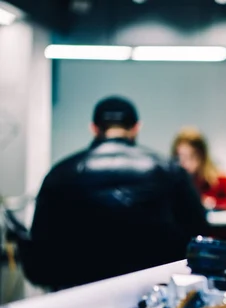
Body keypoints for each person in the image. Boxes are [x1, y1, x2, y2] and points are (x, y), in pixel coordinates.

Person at [29, 96, 208, 290]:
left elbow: (40, 249)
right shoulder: (169, 171)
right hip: (152, 296)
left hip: (79, 296)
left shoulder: (60, 174)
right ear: (136, 128)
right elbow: (198, 231)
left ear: (94, 128)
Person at [171, 127, 226, 212]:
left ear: (202, 157)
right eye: (180, 157)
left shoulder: (217, 180)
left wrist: (214, 204)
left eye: (192, 157)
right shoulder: (173, 183)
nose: (185, 163)